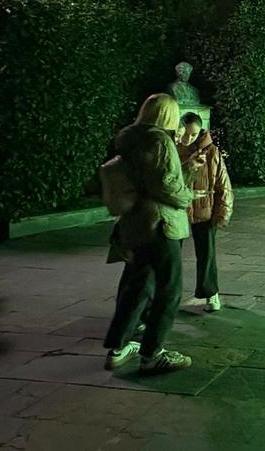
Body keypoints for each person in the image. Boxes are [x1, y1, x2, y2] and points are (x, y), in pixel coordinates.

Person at [102, 94, 195, 374]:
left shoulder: (128, 138)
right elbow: (166, 185)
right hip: (162, 223)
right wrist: (187, 195)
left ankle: (118, 347)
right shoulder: (160, 141)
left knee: (138, 285)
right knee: (169, 288)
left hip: (135, 223)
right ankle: (153, 352)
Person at [176, 112, 232, 312]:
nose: (188, 139)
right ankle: (168, 297)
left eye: (193, 135)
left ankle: (211, 293)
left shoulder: (211, 152)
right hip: (178, 210)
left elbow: (222, 183)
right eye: (186, 134)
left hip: (204, 207)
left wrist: (223, 212)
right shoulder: (172, 149)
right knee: (172, 256)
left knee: (207, 253)